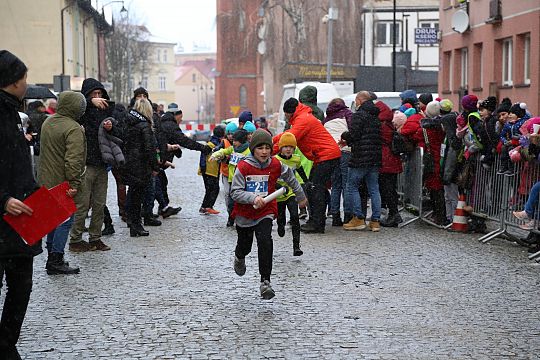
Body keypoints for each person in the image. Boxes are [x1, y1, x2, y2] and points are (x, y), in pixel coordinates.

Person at [230, 129, 307, 299]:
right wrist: (252, 198)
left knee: (265, 241)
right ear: (253, 149)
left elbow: (291, 178)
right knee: (245, 245)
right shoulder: (243, 166)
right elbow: (234, 192)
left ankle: (265, 281)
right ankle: (239, 257)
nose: (264, 152)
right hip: (245, 213)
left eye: (267, 148)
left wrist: (301, 197)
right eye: (260, 148)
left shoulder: (276, 164)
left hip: (265, 211)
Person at [0, 50, 41, 359]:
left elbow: (17, 165)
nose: (27, 82)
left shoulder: (14, 113)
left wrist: (42, 195)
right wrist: (3, 199)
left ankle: (6, 345)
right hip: (4, 216)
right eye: (24, 77)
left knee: (21, 287)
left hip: (21, 219)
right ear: (12, 81)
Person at [273, 98, 341, 233]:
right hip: (325, 155)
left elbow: (289, 139)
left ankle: (317, 223)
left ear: (290, 113)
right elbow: (286, 135)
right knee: (314, 188)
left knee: (315, 189)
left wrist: (269, 150)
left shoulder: (303, 120)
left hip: (326, 156)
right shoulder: (303, 117)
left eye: (286, 115)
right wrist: (270, 141)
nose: (286, 119)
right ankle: (317, 219)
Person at [38, 91, 87, 275]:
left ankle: (52, 255)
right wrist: (74, 184)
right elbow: (73, 160)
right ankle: (55, 259)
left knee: (53, 219)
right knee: (65, 220)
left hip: (45, 179)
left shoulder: (48, 121)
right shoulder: (72, 128)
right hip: (62, 182)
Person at [69, 78, 118, 252]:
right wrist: (89, 102)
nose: (98, 97)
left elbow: (117, 128)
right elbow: (76, 109)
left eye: (100, 94)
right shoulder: (82, 110)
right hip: (86, 164)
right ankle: (75, 239)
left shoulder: (105, 110)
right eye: (94, 94)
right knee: (82, 205)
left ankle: (95, 238)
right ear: (87, 96)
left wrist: (111, 126)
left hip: (102, 164)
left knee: (99, 203)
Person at [158, 103, 211, 217]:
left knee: (160, 181)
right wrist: (203, 148)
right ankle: (156, 209)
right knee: (156, 184)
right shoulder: (170, 125)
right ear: (175, 115)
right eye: (180, 118)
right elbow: (185, 141)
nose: (181, 121)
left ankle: (162, 207)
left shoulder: (163, 122)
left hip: (158, 159)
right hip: (157, 159)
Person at [341, 91, 382, 231]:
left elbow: (354, 135)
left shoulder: (359, 115)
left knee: (351, 186)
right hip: (375, 157)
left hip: (360, 157)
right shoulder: (376, 115)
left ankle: (358, 218)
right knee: (374, 189)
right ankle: (375, 221)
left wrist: (344, 136)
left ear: (359, 100)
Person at [123, 98, 160, 237]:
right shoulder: (144, 125)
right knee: (137, 197)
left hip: (130, 163)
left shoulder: (129, 122)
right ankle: (136, 225)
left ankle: (133, 223)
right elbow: (149, 148)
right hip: (141, 165)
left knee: (132, 195)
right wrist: (155, 166)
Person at [275, 132, 308, 256]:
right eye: (285, 147)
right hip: (278, 193)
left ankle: (296, 246)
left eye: (291, 147)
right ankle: (280, 224)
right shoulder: (276, 160)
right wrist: (277, 186)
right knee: (281, 215)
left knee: (294, 216)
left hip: (291, 192)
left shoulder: (296, 159)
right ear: (281, 148)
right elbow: (271, 177)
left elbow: (299, 169)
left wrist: (306, 181)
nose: (288, 149)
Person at [211, 129, 251, 227]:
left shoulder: (249, 152)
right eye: (233, 140)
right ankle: (231, 218)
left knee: (242, 202)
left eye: (235, 141)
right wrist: (215, 155)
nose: (233, 142)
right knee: (231, 203)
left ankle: (242, 219)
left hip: (242, 182)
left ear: (241, 141)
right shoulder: (233, 149)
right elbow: (223, 151)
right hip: (231, 180)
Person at [323, 98, 352, 226]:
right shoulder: (347, 114)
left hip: (332, 153)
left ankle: (335, 216)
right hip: (346, 151)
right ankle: (347, 215)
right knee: (346, 184)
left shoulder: (326, 119)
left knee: (336, 185)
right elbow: (352, 131)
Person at [199, 125, 225, 214]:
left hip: (210, 169)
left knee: (210, 189)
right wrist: (203, 168)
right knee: (213, 189)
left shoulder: (213, 142)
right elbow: (203, 156)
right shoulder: (213, 144)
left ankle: (204, 207)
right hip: (210, 170)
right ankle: (208, 206)